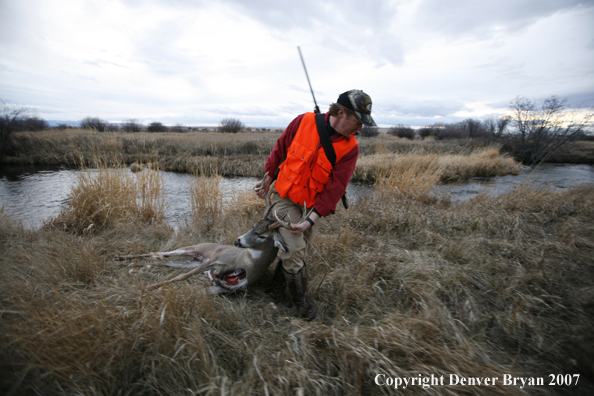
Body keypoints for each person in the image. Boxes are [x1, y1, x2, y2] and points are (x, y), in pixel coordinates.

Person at [254, 89, 376, 320]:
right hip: (284, 198)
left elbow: (335, 189)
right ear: (341, 112)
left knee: (300, 252)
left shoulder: (350, 149)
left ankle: (276, 288)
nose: (360, 129)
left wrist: (311, 219)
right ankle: (302, 302)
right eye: (358, 121)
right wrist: (268, 177)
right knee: (295, 250)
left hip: (311, 206)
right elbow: (280, 149)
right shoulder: (303, 122)